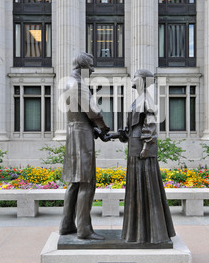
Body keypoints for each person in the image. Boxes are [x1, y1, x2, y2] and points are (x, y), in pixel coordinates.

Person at [118, 70, 176, 244]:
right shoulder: (138, 100)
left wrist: (146, 147)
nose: (132, 78)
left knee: (145, 188)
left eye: (135, 76)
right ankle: (139, 232)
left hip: (141, 151)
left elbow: (150, 127)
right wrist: (122, 135)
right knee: (137, 189)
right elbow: (133, 127)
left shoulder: (146, 100)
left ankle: (150, 233)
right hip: (135, 147)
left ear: (142, 80)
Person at [59, 52, 110, 240]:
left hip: (74, 132)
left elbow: (80, 113)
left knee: (74, 182)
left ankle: (66, 224)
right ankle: (84, 229)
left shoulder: (68, 82)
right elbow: (93, 111)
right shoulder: (78, 84)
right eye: (91, 66)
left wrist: (95, 131)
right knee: (87, 182)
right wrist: (103, 128)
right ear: (83, 66)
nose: (93, 70)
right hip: (81, 136)